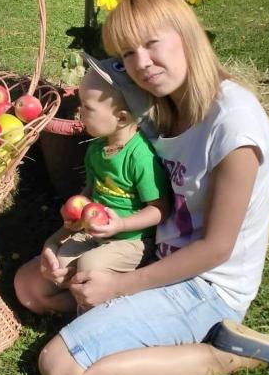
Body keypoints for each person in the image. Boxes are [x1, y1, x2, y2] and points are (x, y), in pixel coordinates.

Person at [15, 0, 269, 375]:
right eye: (128, 53)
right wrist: (69, 236)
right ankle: (111, 314)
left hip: (206, 285)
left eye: (152, 43)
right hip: (154, 250)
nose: (141, 64)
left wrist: (118, 288)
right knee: (32, 287)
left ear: (187, 35)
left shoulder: (234, 128)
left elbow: (216, 250)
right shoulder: (162, 105)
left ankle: (220, 354)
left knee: (60, 368)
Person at [39, 66, 171, 314]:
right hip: (97, 231)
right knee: (63, 259)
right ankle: (90, 306)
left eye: (87, 108)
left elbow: (159, 209)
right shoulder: (97, 149)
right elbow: (93, 187)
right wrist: (79, 205)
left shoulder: (140, 157)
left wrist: (121, 225)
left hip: (133, 240)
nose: (79, 112)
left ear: (121, 118)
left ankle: (91, 324)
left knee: (90, 265)